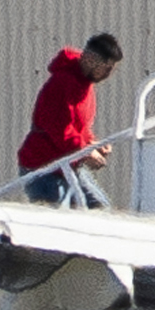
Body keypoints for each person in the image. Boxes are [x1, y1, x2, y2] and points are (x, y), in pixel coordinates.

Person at [17, 31, 123, 207]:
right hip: (44, 170)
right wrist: (87, 151)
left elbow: (79, 128)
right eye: (106, 67)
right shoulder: (61, 84)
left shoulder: (84, 85)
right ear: (90, 59)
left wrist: (94, 144)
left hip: (66, 167)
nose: (108, 74)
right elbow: (60, 130)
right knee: (58, 220)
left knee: (99, 208)